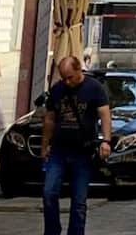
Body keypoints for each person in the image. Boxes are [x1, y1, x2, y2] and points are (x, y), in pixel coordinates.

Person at [41, 55, 111, 235]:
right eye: (63, 78)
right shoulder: (57, 90)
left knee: (79, 200)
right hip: (59, 150)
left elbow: (104, 114)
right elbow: (49, 119)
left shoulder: (94, 87)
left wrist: (106, 141)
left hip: (82, 151)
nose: (67, 81)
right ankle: (52, 231)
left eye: (70, 77)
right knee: (49, 193)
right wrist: (45, 145)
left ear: (79, 70)